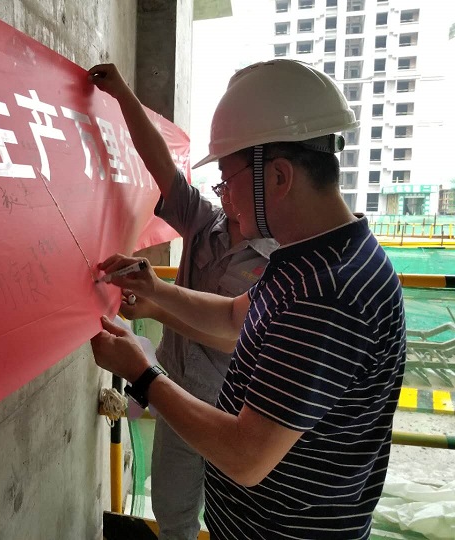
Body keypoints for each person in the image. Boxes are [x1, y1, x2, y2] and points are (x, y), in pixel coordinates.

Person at [90, 59, 406, 540]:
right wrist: (155, 290)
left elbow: (246, 457)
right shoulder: (311, 260)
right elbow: (236, 318)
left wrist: (143, 373)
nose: (226, 197)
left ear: (278, 176)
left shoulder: (328, 292)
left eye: (229, 178)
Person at [88, 64, 277, 540]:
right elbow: (158, 161)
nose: (225, 193)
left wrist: (156, 306)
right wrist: (122, 94)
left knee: (232, 521)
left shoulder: (280, 261)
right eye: (221, 183)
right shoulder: (203, 221)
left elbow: (233, 335)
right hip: (174, 396)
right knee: (173, 513)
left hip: (231, 409)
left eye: (230, 180)